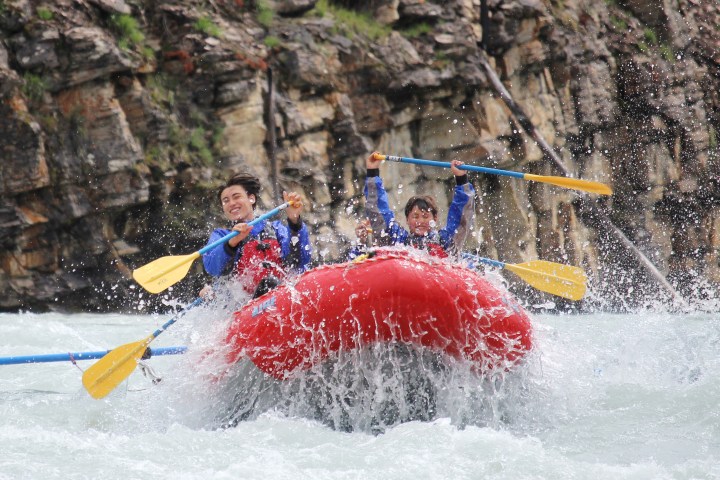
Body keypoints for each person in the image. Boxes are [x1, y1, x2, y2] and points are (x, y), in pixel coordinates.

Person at [201, 172, 311, 299]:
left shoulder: (276, 229)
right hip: (246, 306)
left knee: (270, 283)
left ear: (251, 199)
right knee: (268, 284)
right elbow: (213, 268)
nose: (231, 203)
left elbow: (299, 260)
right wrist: (232, 243)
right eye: (225, 201)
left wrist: (294, 221)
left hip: (285, 295)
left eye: (236, 197)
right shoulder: (221, 236)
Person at [364, 152, 475, 258]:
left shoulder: (445, 241)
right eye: (415, 216)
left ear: (435, 218)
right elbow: (379, 213)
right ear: (407, 219)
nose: (420, 221)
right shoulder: (399, 241)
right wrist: (372, 172)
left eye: (425, 216)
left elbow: (461, 216)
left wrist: (461, 179)